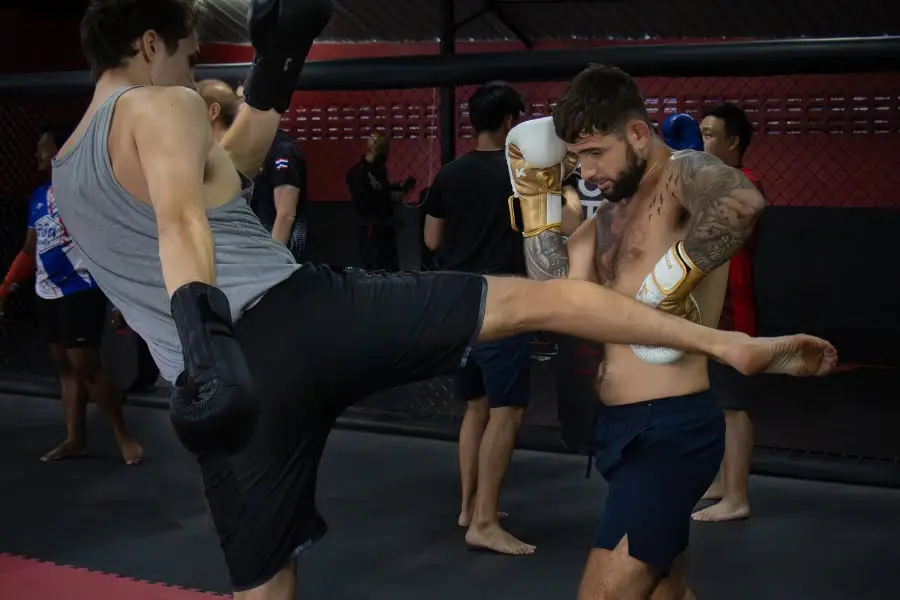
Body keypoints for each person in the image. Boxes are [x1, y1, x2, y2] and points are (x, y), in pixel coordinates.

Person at [54, 3, 835, 598]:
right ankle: (731, 348)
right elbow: (183, 219)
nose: (192, 72)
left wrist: (279, 57)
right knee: (536, 304)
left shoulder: (66, 170)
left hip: (225, 396)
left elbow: (228, 172)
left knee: (261, 578)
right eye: (188, 53)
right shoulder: (163, 106)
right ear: (150, 44)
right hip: (288, 326)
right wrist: (207, 332)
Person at [504, 64, 828, 599]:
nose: (585, 174)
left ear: (635, 133)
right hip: (621, 430)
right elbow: (554, 289)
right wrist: (537, 208)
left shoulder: (682, 174)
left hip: (669, 432)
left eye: (594, 153)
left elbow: (742, 203)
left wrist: (666, 284)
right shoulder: (612, 213)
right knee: (664, 592)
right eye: (576, 157)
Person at [424, 81, 535, 555]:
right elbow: (550, 231)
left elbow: (431, 240)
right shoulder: (523, 174)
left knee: (475, 408)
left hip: (458, 302)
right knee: (507, 411)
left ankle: (470, 507)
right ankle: (485, 521)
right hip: (505, 301)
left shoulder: (449, 174)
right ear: (510, 123)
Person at [0, 123, 142, 465]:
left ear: (61, 152)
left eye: (43, 146)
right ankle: (74, 439)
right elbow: (29, 250)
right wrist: (5, 286)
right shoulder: (37, 197)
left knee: (88, 366)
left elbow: (112, 244)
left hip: (80, 289)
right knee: (65, 367)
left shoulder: (87, 192)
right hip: (46, 291)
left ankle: (124, 437)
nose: (37, 153)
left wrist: (122, 296)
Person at [692, 102, 763, 523]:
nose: (702, 142)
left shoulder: (746, 184)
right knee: (715, 403)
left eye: (710, 134)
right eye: (700, 133)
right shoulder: (707, 183)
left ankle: (737, 496)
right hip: (705, 308)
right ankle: (722, 480)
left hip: (732, 311)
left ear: (733, 142)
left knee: (734, 407)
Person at [345, 132, 409, 271]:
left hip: (386, 227)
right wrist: (388, 197)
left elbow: (380, 191)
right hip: (371, 228)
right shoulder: (358, 172)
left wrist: (394, 190)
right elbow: (363, 203)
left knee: (391, 268)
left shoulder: (380, 170)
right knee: (375, 268)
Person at [249, 126, 308, 261]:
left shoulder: (283, 150)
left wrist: (272, 259)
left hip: (280, 256)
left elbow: (286, 214)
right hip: (255, 249)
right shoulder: (254, 149)